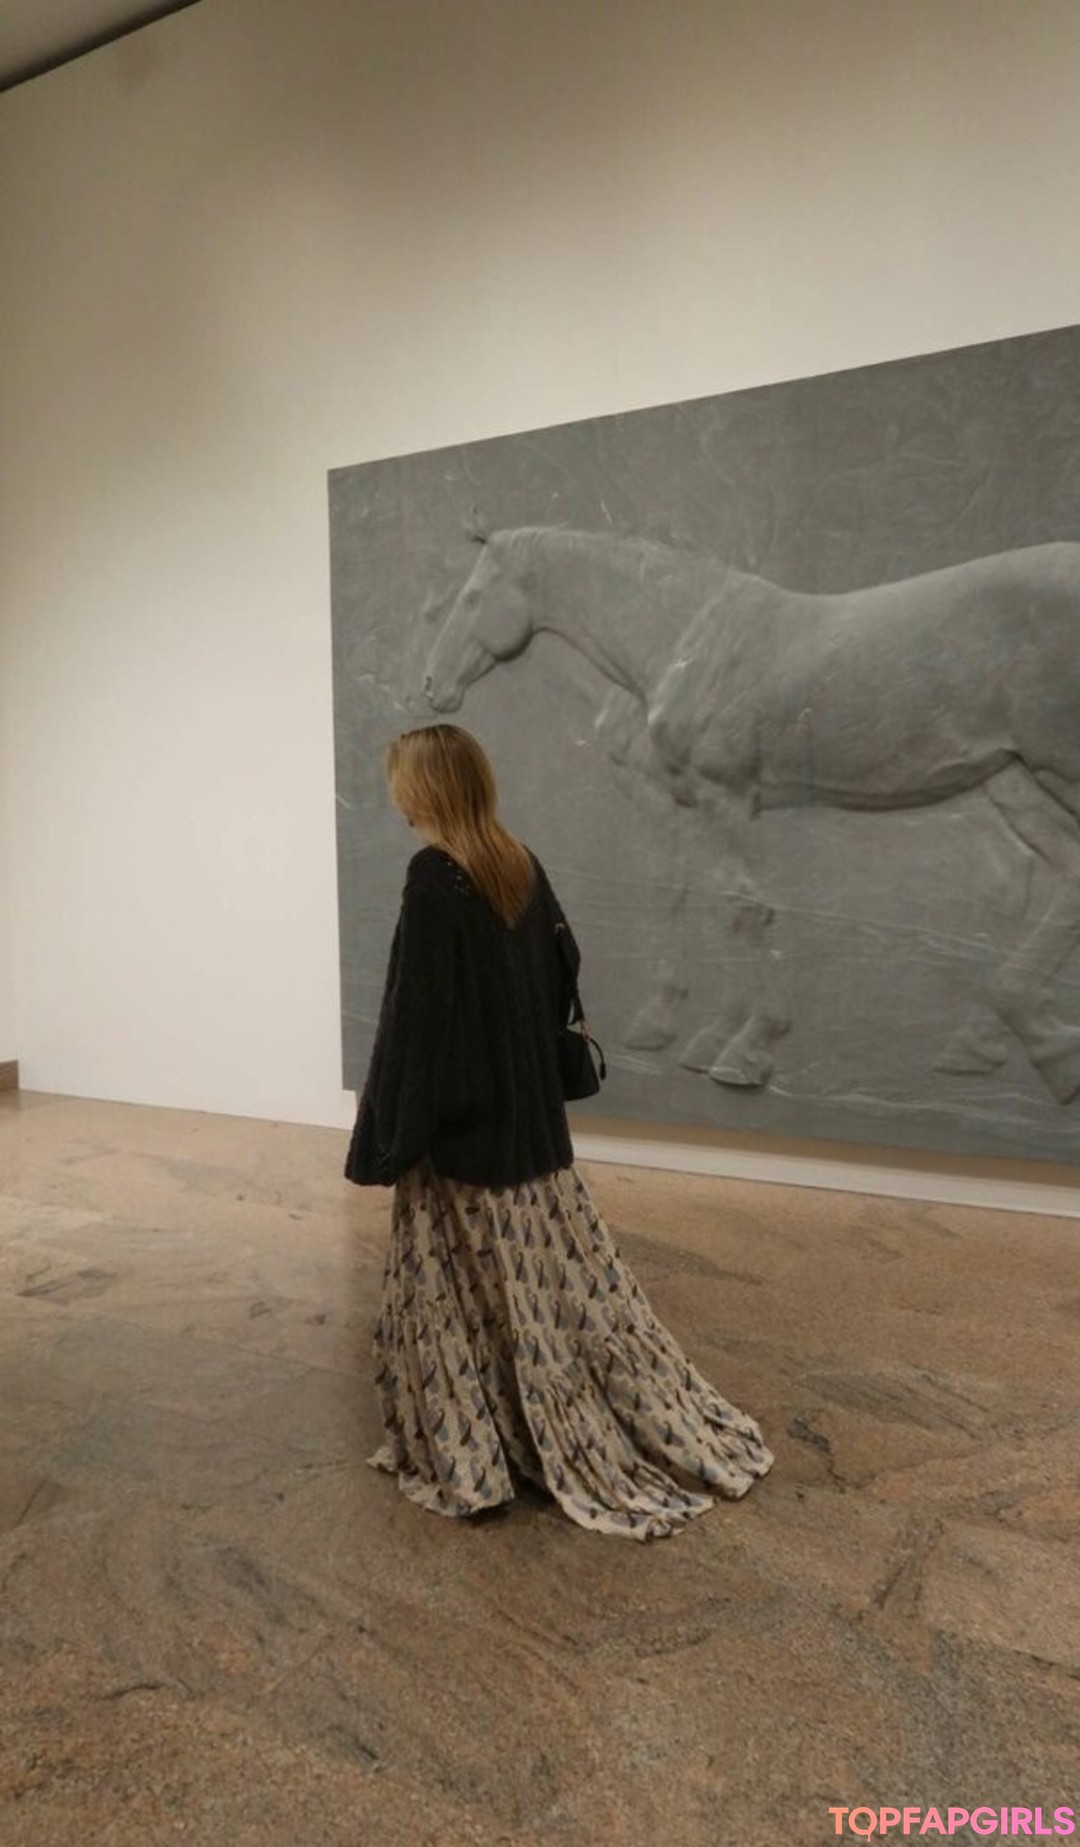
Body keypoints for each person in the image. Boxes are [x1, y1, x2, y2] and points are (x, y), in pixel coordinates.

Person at [345, 723, 774, 1540]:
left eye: (400, 779)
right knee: (546, 1297)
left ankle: (476, 1450)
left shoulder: (435, 877)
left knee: (463, 1302)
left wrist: (395, 1134)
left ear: (424, 787)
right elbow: (555, 988)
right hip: (530, 1134)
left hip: (463, 1140)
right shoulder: (518, 862)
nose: (394, 794)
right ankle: (552, 1419)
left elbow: (416, 1020)